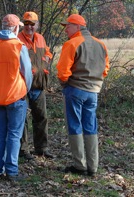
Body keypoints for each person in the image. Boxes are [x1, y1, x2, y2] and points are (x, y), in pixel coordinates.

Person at [56, 14, 110, 176]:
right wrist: (95, 83)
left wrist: (65, 84)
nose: (65, 29)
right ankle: (93, 167)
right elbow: (105, 69)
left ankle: (80, 165)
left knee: (74, 125)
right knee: (90, 126)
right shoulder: (101, 44)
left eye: (68, 26)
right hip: (93, 91)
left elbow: (62, 72)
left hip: (75, 89)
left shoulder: (72, 43)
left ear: (77, 27)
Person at [0, 14, 33, 181]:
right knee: (14, 135)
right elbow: (27, 73)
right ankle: (11, 172)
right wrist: (26, 90)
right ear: (16, 28)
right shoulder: (19, 47)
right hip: (16, 96)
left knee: (0, 134)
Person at [18, 11, 55, 159]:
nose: (29, 27)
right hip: (22, 86)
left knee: (41, 117)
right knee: (22, 118)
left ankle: (41, 148)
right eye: (26, 23)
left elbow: (48, 52)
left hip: (39, 84)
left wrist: (45, 61)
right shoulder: (18, 39)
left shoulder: (40, 38)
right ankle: (22, 150)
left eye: (32, 24)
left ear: (37, 25)